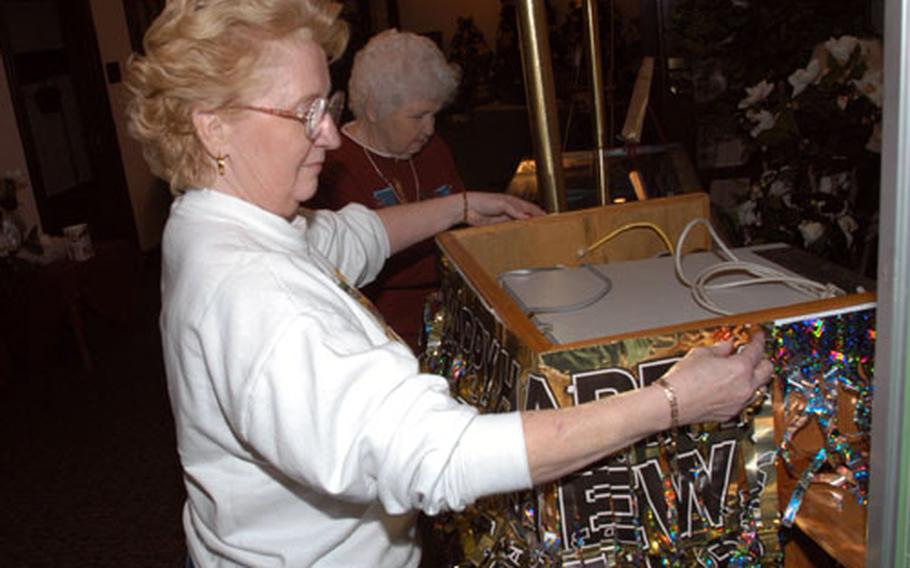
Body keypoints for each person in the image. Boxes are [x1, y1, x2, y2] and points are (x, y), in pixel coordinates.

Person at [124, 1, 773, 566]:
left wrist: (460, 207)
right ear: (212, 124)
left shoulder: (212, 218)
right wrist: (673, 402)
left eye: (329, 106)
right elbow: (440, 457)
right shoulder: (258, 295)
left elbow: (349, 239)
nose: (328, 132)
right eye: (304, 112)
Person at [311, 28, 466, 351]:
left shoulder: (434, 150)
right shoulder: (330, 167)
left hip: (452, 329)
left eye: (435, 114)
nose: (430, 129)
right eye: (418, 116)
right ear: (372, 109)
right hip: (382, 342)